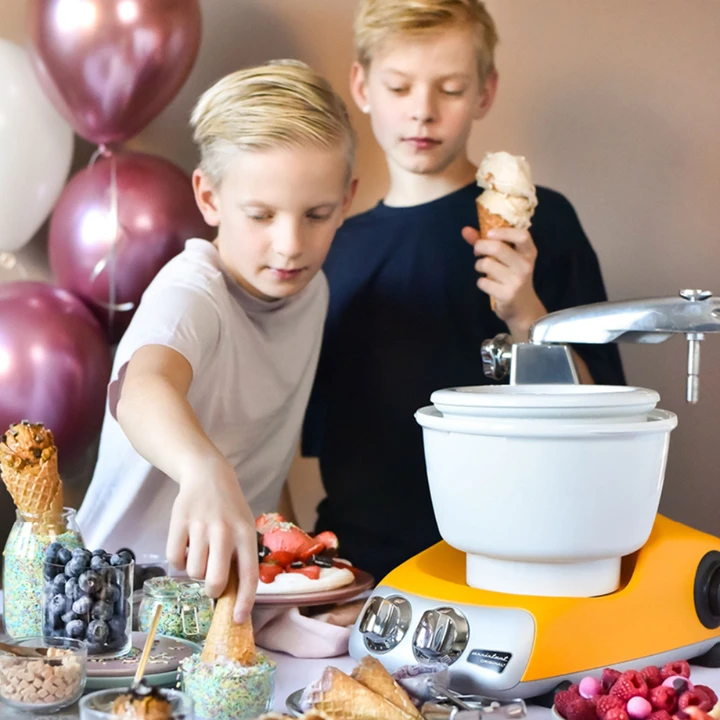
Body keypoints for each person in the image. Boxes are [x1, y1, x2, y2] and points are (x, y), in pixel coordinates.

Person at [302, 0, 625, 582]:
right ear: (363, 86)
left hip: (515, 559)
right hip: (361, 567)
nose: (422, 111)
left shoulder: (543, 224)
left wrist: (526, 315)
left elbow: (607, 424)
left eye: (449, 89)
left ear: (484, 92)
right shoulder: (330, 248)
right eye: (399, 87)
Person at [77, 60, 357, 621]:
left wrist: (290, 560)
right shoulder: (191, 293)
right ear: (209, 198)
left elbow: (262, 453)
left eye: (316, 214)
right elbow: (141, 388)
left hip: (228, 604)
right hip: (116, 606)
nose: (290, 245)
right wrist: (204, 467)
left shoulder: (313, 291)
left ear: (347, 200)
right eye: (261, 215)